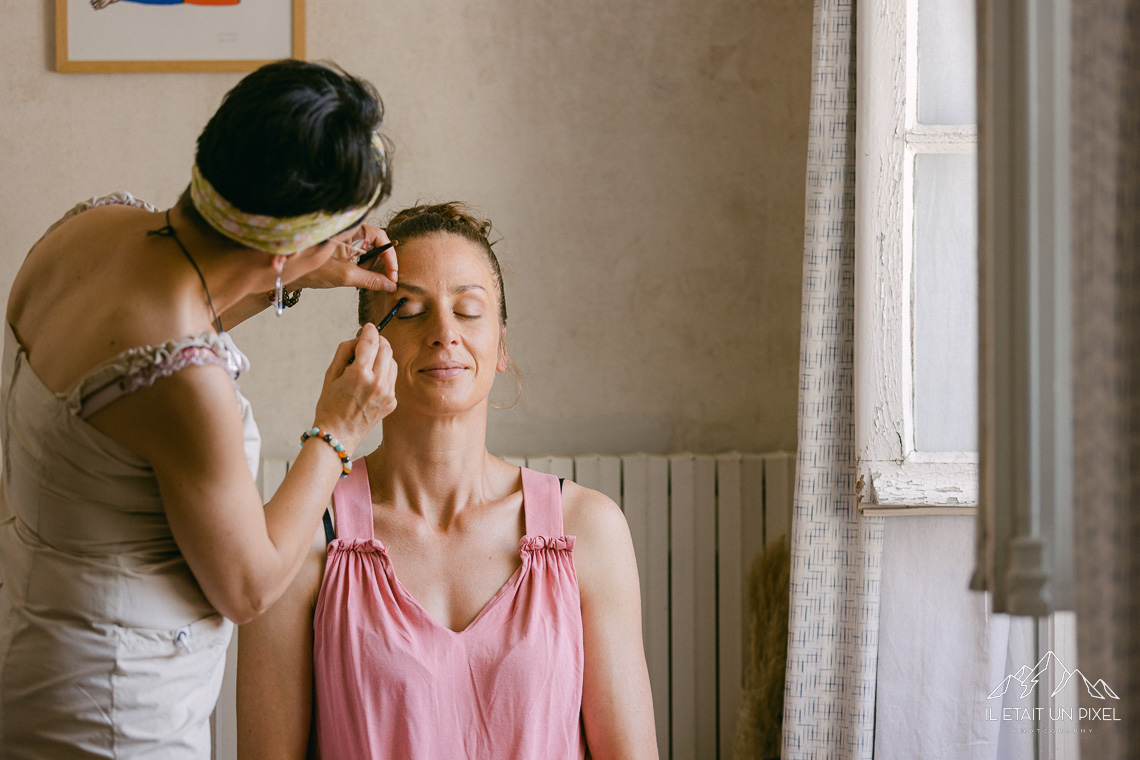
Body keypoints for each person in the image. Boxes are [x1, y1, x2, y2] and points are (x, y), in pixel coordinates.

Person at [0, 60, 402, 758]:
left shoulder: (90, 233)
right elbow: (248, 588)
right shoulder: (188, 387)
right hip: (114, 715)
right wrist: (338, 431)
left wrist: (297, 272)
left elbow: (144, 349)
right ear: (286, 247)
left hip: (33, 656)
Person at [237, 202, 659, 760]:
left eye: (468, 310)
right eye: (409, 310)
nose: (444, 334)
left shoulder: (591, 530)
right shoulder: (306, 537)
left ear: (501, 345)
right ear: (371, 346)